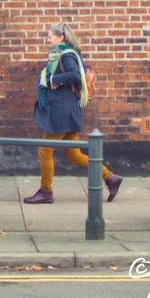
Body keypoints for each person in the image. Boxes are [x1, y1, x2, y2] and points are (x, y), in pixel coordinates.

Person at [24, 22, 123, 204]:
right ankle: (110, 177)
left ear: (61, 37)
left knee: (45, 150)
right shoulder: (59, 55)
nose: (47, 39)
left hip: (61, 111)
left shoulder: (66, 55)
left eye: (50, 36)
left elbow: (76, 74)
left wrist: (53, 78)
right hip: (68, 110)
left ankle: (46, 192)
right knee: (74, 154)